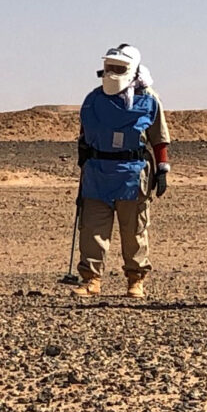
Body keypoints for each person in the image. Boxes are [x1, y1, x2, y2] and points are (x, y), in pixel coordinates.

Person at [71, 44, 170, 299]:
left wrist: (162, 169)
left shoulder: (149, 100)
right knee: (92, 229)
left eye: (119, 68)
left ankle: (135, 280)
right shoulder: (93, 100)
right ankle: (91, 279)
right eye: (109, 67)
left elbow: (159, 138)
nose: (112, 74)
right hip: (97, 173)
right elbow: (85, 134)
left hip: (132, 174)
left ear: (133, 70)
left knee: (134, 231)